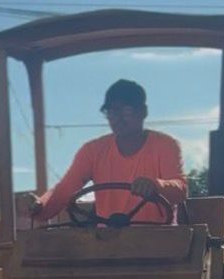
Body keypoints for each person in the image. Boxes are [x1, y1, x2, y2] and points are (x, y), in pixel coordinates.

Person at [30, 79, 188, 225]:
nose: (118, 119)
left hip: (160, 242)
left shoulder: (166, 145)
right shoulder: (92, 151)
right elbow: (65, 189)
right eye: (111, 112)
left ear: (143, 112)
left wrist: (156, 186)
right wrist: (38, 206)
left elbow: (180, 189)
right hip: (107, 242)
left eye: (126, 111)